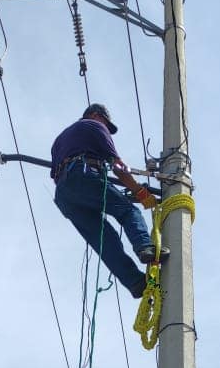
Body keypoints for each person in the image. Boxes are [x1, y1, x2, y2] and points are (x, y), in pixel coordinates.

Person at [51, 104, 169, 298]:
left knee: (104, 240)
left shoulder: (59, 140)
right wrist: (140, 192)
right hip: (84, 175)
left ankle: (135, 282)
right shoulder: (94, 126)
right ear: (97, 115)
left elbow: (57, 174)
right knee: (129, 211)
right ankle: (145, 247)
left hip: (64, 195)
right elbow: (118, 167)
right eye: (107, 124)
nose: (108, 130)